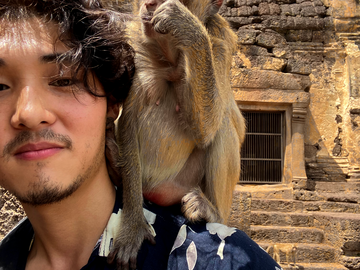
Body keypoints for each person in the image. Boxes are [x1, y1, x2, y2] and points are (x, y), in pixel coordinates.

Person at [0, 1, 282, 269]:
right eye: (0, 87)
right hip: (139, 177)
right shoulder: (10, 252)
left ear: (111, 101)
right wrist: (133, 215)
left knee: (229, 120)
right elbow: (130, 132)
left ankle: (216, 211)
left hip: (194, 173)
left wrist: (196, 43)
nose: (28, 114)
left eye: (63, 80)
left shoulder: (224, 260)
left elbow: (206, 129)